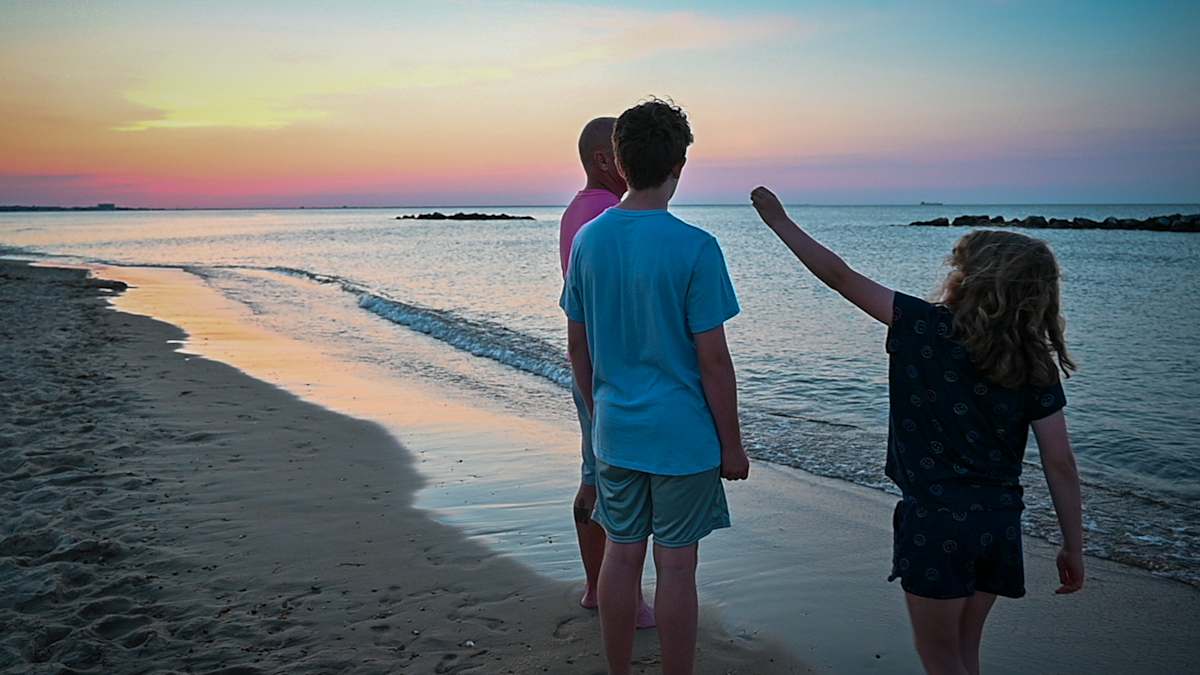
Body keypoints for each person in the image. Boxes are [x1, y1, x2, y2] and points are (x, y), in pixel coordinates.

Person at [750, 187, 1085, 675]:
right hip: (998, 522)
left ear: (969, 279)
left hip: (935, 521)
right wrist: (1073, 544)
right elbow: (1060, 461)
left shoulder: (923, 325)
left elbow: (840, 277)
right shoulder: (1032, 360)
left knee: (940, 659)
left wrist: (780, 222)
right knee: (965, 651)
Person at [561, 98, 750, 675]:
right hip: (682, 439)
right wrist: (732, 445)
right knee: (676, 566)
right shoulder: (695, 247)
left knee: (621, 557)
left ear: (620, 161)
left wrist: (600, 412)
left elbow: (578, 347)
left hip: (617, 431)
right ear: (678, 165)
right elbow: (713, 361)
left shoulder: (589, 239)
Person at [559, 116, 654, 629]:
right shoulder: (604, 214)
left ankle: (597, 588)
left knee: (594, 476)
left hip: (590, 365)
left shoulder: (577, 211)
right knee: (618, 483)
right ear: (603, 160)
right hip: (608, 370)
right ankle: (623, 598)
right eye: (622, 150)